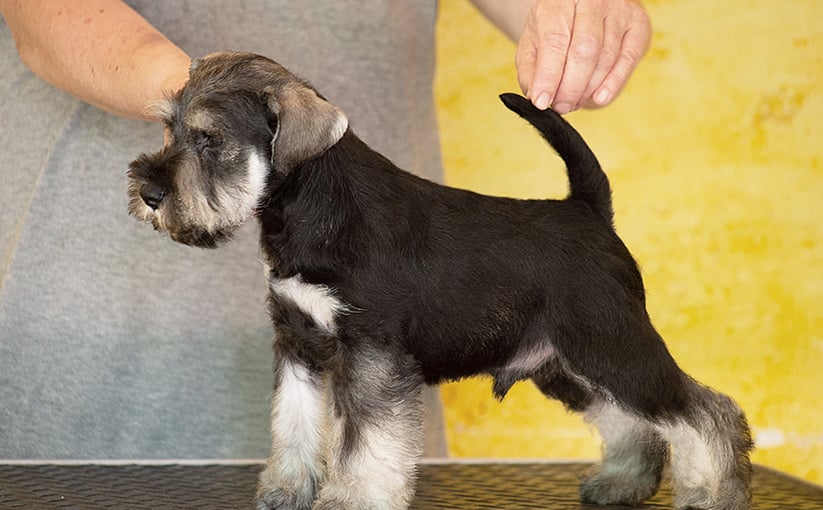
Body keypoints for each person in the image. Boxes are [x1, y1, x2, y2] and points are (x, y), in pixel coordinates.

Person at [0, 0, 650, 459]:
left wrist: (577, 16)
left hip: (393, 259)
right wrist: (217, 107)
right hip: (112, 324)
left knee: (367, 493)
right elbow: (46, 14)